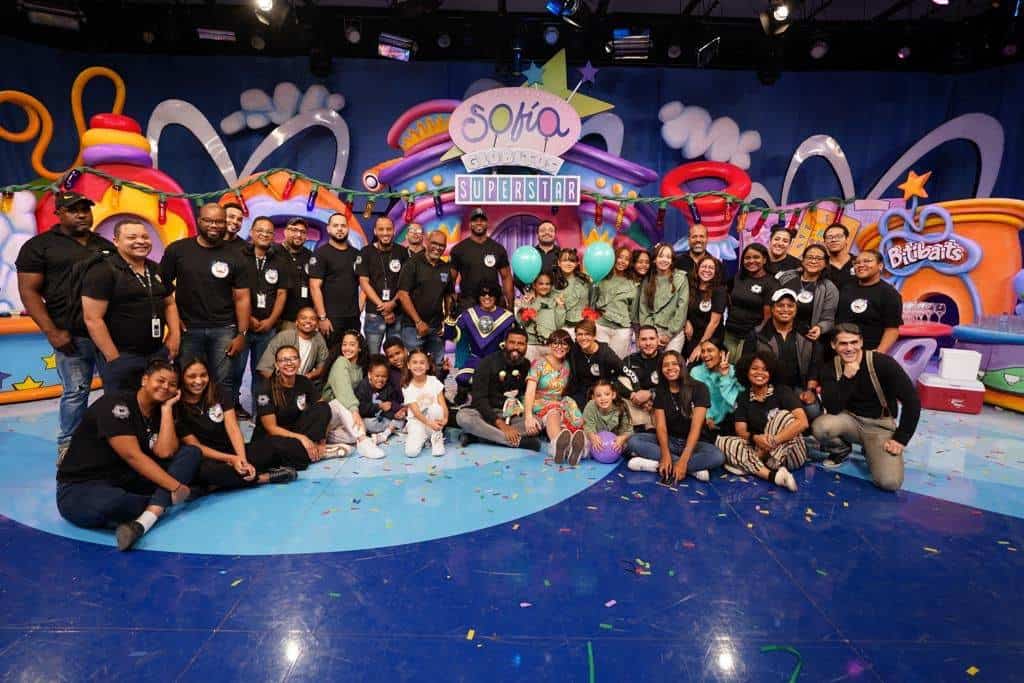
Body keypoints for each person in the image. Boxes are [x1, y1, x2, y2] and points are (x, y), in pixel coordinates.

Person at [55, 359, 200, 551]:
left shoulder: (159, 409)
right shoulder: (116, 404)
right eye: (160, 380)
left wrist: (167, 410)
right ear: (144, 380)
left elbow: (165, 452)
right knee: (113, 503)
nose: (166, 387)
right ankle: (165, 500)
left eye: (172, 384)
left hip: (127, 479)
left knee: (191, 452)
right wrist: (176, 486)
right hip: (81, 487)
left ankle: (149, 515)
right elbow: (133, 456)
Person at [17, 191, 114, 460]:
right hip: (70, 335)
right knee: (76, 392)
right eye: (73, 210)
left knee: (116, 389)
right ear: (58, 213)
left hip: (109, 334)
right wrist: (51, 331)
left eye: (85, 209)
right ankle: (69, 446)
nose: (81, 214)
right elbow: (28, 291)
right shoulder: (39, 246)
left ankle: (116, 441)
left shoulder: (105, 245)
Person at [813, 323, 921, 491]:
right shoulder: (830, 368)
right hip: (849, 420)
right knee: (821, 427)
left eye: (854, 342)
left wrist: (901, 438)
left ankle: (871, 449)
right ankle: (841, 449)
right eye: (843, 343)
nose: (849, 348)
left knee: (889, 482)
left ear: (861, 342)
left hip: (879, 425)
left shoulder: (882, 363)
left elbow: (912, 401)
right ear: (834, 345)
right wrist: (847, 377)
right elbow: (832, 408)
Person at [160, 202, 250, 399]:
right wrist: (173, 322)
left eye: (219, 221)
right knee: (187, 379)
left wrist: (242, 333)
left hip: (224, 329)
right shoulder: (178, 250)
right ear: (199, 221)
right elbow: (162, 288)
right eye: (208, 220)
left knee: (223, 380)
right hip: (188, 329)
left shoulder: (237, 255)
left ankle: (220, 416)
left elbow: (242, 297)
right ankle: (189, 417)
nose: (214, 226)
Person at [82, 218, 180, 392]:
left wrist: (174, 336)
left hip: (157, 354)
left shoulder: (156, 269)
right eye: (132, 237)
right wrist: (113, 358)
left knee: (156, 401)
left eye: (145, 237)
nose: (140, 241)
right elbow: (92, 319)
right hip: (122, 356)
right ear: (116, 241)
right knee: (123, 405)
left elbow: (169, 303)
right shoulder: (103, 271)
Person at [176, 357, 297, 491]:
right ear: (181, 378)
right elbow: (196, 447)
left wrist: (241, 459)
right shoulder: (177, 406)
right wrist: (231, 459)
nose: (199, 381)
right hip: (208, 458)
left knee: (273, 444)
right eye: (191, 377)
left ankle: (227, 481)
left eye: (203, 375)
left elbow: (233, 429)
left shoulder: (218, 391)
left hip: (232, 450)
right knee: (207, 472)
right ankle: (264, 478)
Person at [624, 351, 725, 483]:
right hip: (670, 440)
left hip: (695, 443)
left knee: (717, 456)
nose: (670, 368)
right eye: (665, 365)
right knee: (633, 441)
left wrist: (683, 461)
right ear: (661, 370)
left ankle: (656, 465)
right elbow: (661, 427)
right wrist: (665, 455)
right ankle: (692, 469)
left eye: (674, 364)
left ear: (682, 365)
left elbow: (696, 427)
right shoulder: (660, 391)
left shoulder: (699, 388)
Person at [714, 351, 807, 492]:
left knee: (783, 416)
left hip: (790, 455)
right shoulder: (744, 397)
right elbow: (740, 430)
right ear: (747, 371)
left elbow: (803, 422)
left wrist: (772, 442)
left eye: (765, 369)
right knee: (722, 442)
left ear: (771, 373)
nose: (759, 373)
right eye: (754, 368)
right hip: (760, 450)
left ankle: (750, 463)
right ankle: (773, 476)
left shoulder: (782, 391)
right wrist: (755, 438)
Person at [232, 216, 292, 417]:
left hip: (268, 327)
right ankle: (232, 409)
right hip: (242, 326)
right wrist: (248, 319)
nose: (264, 234)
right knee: (236, 370)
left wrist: (271, 321)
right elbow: (233, 291)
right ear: (251, 232)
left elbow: (282, 294)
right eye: (260, 230)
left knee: (263, 374)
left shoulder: (280, 260)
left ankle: (260, 414)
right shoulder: (239, 257)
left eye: (268, 232)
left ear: (273, 236)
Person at [456, 327, 542, 451]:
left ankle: (479, 436)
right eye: (512, 342)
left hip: (511, 415)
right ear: (505, 343)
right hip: (486, 414)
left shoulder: (526, 365)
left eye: (520, 344)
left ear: (526, 346)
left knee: (538, 422)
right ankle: (516, 442)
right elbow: (479, 400)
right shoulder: (487, 363)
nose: (516, 347)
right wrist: (501, 425)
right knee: (463, 417)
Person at [251, 345, 335, 468]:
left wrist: (321, 441)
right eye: (284, 360)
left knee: (323, 407)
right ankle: (309, 452)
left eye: (293, 358)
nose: (289, 363)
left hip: (294, 431)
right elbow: (271, 428)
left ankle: (315, 449)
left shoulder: (304, 381)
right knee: (279, 449)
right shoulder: (264, 389)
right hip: (273, 437)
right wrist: (302, 438)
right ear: (276, 365)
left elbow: (322, 409)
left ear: (299, 362)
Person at [750, 290, 823, 411]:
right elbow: (747, 367)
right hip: (766, 388)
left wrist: (810, 390)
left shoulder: (807, 333)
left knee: (813, 411)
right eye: (780, 305)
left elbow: (814, 366)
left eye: (790, 306)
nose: (785, 309)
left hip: (797, 388)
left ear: (796, 309)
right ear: (772, 309)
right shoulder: (757, 334)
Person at [523, 329, 586, 464]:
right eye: (555, 343)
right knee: (553, 412)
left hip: (560, 401)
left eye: (564, 344)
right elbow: (530, 392)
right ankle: (557, 445)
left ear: (568, 347)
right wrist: (528, 417)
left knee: (575, 417)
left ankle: (576, 450)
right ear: (549, 345)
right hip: (540, 402)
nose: (559, 347)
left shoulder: (568, 364)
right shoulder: (539, 363)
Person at [396, 229, 452, 365]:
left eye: (441, 245)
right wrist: (418, 322)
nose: (437, 248)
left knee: (437, 366)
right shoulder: (412, 264)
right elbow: (403, 295)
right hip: (412, 327)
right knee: (414, 367)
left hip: (436, 328)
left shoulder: (445, 268)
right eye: (434, 243)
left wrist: (447, 320)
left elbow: (448, 295)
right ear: (426, 242)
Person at [453, 284, 514, 402]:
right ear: (478, 296)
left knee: (501, 380)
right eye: (483, 294)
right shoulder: (468, 314)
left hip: (496, 360)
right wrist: (450, 322)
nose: (487, 297)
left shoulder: (507, 317)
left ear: (496, 296)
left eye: (491, 294)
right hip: (475, 358)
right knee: (463, 378)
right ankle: (464, 396)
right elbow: (454, 336)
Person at [358, 216, 410, 354]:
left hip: (397, 312)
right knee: (373, 355)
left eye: (388, 229)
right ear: (375, 231)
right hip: (374, 313)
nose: (385, 233)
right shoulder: (366, 252)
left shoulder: (402, 252)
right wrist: (383, 307)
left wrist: (392, 304)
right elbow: (364, 282)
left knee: (397, 355)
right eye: (381, 229)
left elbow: (406, 283)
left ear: (394, 231)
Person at [309, 212, 362, 347]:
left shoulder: (356, 254)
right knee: (331, 355)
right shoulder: (321, 253)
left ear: (348, 229)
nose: (339, 229)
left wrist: (360, 308)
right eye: (335, 225)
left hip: (353, 318)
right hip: (331, 318)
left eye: (343, 226)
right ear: (328, 229)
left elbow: (364, 284)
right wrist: (322, 317)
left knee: (353, 355)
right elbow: (314, 287)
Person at [835, 249, 903, 353]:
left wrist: (879, 353)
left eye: (867, 261)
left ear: (880, 266)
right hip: (840, 351)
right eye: (857, 263)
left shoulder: (889, 294)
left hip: (868, 353)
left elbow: (892, 329)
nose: (861, 265)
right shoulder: (845, 288)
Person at [450, 207, 514, 311]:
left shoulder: (498, 249)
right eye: (475, 220)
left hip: (493, 302)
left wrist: (510, 305)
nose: (479, 223)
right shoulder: (459, 249)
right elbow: (451, 280)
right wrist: (451, 304)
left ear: (487, 224)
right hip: (468, 303)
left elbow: (506, 277)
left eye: (482, 220)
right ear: (470, 224)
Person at [569, 319, 638, 411]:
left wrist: (638, 390)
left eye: (587, 334)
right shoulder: (575, 349)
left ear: (594, 336)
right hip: (581, 391)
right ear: (576, 336)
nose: (583, 338)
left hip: (601, 391)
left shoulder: (605, 353)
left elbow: (627, 371)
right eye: (580, 334)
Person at [724, 243, 776, 359]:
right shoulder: (738, 277)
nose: (751, 261)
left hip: (750, 336)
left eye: (756, 257)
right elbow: (729, 298)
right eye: (747, 258)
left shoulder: (771, 282)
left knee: (741, 366)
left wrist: (756, 335)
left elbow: (768, 317)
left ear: (764, 260)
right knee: (726, 365)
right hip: (730, 332)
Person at [778, 243, 838, 341]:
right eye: (809, 257)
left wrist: (820, 328)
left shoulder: (829, 288)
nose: (813, 261)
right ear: (803, 260)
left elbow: (828, 320)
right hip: (778, 333)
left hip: (806, 338)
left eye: (818, 258)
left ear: (825, 263)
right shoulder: (786, 277)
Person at [257, 307, 329, 384]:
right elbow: (264, 368)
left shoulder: (318, 339)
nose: (308, 321)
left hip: (302, 384)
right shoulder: (284, 337)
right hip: (278, 383)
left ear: (317, 324)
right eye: (303, 318)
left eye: (312, 319)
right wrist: (281, 383)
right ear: (296, 322)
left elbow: (323, 365)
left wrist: (309, 376)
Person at [638, 242, 689, 352]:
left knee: (671, 360)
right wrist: (652, 334)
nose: (664, 260)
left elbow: (682, 309)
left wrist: (669, 334)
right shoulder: (648, 280)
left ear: (672, 261)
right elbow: (643, 310)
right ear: (654, 259)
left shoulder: (681, 278)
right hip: (651, 332)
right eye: (661, 256)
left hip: (674, 333)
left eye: (668, 257)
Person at [689, 339, 741, 439]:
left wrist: (725, 376)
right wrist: (707, 417)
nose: (705, 355)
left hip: (729, 420)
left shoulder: (733, 371)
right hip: (704, 421)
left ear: (721, 353)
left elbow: (734, 402)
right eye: (703, 351)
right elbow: (695, 399)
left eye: (710, 350)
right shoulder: (696, 372)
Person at [593, 246, 638, 359]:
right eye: (620, 257)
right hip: (601, 325)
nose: (622, 261)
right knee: (600, 361)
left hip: (622, 329)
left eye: (627, 259)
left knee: (618, 362)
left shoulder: (632, 282)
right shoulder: (601, 277)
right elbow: (593, 301)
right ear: (614, 258)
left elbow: (633, 310)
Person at [402, 349, 448, 457]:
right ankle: (423, 437)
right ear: (408, 365)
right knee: (411, 453)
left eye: (422, 363)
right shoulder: (407, 387)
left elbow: (443, 404)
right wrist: (428, 424)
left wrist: (445, 418)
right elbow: (416, 413)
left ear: (427, 366)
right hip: (417, 421)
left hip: (434, 421)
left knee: (436, 408)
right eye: (415, 362)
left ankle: (436, 437)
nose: (418, 366)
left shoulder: (434, 381)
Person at [684, 255, 728, 364]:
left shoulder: (719, 291)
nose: (707, 270)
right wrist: (686, 321)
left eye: (711, 268)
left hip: (711, 339)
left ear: (716, 272)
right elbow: (684, 308)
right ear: (698, 269)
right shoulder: (691, 287)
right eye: (704, 266)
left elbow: (714, 322)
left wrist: (701, 346)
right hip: (692, 336)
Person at [517, 271, 566, 361]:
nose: (544, 286)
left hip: (550, 344)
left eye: (547, 284)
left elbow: (560, 325)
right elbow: (523, 323)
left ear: (551, 286)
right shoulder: (527, 300)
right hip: (532, 344)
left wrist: (560, 306)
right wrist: (528, 306)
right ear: (534, 285)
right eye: (541, 284)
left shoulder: (555, 300)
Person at [355, 354, 405, 442]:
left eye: (384, 376)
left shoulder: (388, 387)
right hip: (369, 418)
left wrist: (395, 415)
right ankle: (390, 430)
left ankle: (386, 433)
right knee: (367, 423)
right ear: (369, 374)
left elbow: (389, 407)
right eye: (377, 376)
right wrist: (379, 406)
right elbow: (361, 409)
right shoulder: (363, 386)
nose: (380, 380)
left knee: (401, 419)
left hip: (383, 418)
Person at [622, 325, 663, 431]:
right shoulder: (629, 360)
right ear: (638, 342)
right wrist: (633, 395)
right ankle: (637, 429)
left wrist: (651, 394)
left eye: (652, 338)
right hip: (636, 406)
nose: (648, 343)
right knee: (622, 380)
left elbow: (678, 385)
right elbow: (616, 383)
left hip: (659, 406)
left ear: (658, 340)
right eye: (644, 339)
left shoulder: (666, 359)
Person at [582, 379, 633, 460]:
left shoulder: (621, 407)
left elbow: (629, 430)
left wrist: (622, 438)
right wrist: (592, 436)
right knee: (585, 440)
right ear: (593, 397)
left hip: (616, 442)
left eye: (607, 394)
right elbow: (588, 426)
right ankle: (576, 451)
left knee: (630, 445)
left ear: (613, 395)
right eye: (598, 396)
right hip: (596, 441)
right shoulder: (590, 406)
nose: (603, 398)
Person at [279, 217, 314, 331]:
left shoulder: (310, 256)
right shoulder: (274, 252)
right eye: (294, 230)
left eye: (303, 232)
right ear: (285, 232)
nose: (298, 235)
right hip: (281, 319)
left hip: (305, 321)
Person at [553, 248, 592, 334]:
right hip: (563, 328)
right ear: (559, 263)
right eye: (565, 260)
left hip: (585, 328)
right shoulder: (554, 285)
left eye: (572, 261)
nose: (568, 263)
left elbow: (592, 303)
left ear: (577, 263)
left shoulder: (585, 281)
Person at [823, 222, 857, 289]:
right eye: (829, 237)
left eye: (838, 236)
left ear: (847, 239)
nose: (833, 240)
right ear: (824, 242)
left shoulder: (859, 263)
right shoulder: (820, 265)